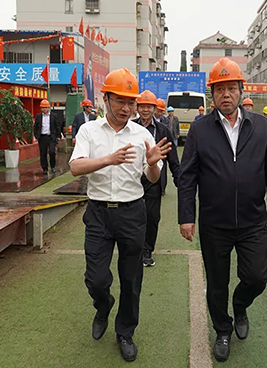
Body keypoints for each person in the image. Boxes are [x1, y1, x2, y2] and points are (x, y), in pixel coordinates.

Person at [178, 57, 267, 362]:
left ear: (241, 90)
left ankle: (240, 306)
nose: (226, 94)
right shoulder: (200, 129)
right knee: (217, 284)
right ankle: (223, 330)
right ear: (212, 94)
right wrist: (187, 216)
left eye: (231, 88)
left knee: (256, 278)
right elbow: (187, 176)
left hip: (253, 220)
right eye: (219, 89)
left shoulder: (262, 126)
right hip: (214, 223)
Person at [69, 68, 171, 362]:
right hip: (98, 214)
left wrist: (151, 164)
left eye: (131, 102)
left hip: (132, 213)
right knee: (96, 279)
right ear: (106, 99)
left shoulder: (142, 135)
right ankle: (103, 306)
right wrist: (108, 160)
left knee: (131, 279)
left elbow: (152, 178)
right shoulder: (89, 131)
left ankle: (125, 332)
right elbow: (75, 167)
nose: (127, 108)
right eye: (120, 101)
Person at [134, 90, 181, 267]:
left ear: (155, 109)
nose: (145, 110)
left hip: (154, 180)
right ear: (137, 108)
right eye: (142, 106)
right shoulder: (129, 127)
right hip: (133, 179)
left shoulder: (163, 130)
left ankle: (147, 250)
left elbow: (173, 159)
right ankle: (134, 249)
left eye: (149, 107)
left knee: (152, 217)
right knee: (132, 216)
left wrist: (180, 181)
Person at [34, 99, 62, 174]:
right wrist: (37, 136)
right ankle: (44, 168)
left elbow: (57, 126)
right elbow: (35, 127)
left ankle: (52, 166)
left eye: (45, 108)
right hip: (42, 137)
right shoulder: (39, 116)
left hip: (51, 137)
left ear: (48, 108)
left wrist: (58, 136)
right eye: (42, 108)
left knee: (52, 152)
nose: (44, 109)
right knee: (43, 153)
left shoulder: (54, 116)